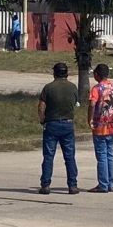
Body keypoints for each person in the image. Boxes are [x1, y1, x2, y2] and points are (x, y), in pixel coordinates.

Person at [37, 62, 79, 195]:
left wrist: (42, 120)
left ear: (54, 73)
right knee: (69, 156)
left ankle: (45, 185)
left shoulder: (48, 88)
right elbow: (75, 104)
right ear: (67, 73)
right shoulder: (73, 87)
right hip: (68, 124)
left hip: (51, 125)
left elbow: (41, 107)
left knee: (48, 156)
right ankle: (72, 186)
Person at [87, 64, 113, 193]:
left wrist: (90, 119)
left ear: (97, 75)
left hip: (100, 126)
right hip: (112, 126)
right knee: (110, 154)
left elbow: (92, 104)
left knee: (102, 156)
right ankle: (110, 183)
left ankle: (103, 184)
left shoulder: (97, 88)